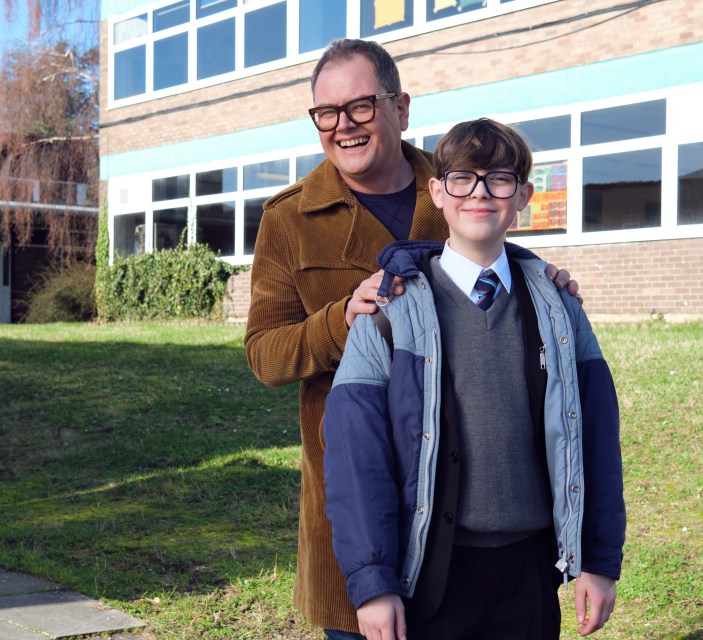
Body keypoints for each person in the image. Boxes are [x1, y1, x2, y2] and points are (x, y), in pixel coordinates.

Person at [244, 39, 581, 638]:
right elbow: (265, 356)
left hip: (475, 518)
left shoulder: (454, 182)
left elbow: (487, 243)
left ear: (401, 106)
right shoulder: (287, 219)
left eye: (361, 107)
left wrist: (539, 272)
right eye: (327, 112)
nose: (343, 126)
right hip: (360, 504)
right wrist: (340, 317)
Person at [322, 118, 625, 640]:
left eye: (500, 179)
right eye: (463, 178)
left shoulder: (558, 309)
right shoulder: (387, 312)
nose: (480, 193)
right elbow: (356, 459)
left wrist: (597, 560)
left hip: (529, 574)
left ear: (523, 195)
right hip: (433, 575)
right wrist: (374, 582)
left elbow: (595, 439)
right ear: (437, 192)